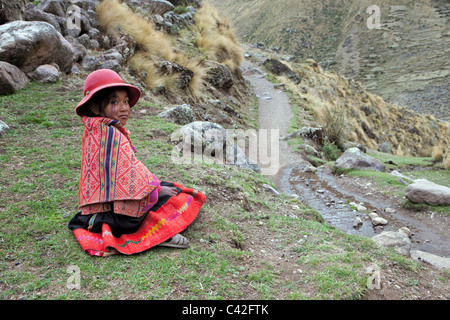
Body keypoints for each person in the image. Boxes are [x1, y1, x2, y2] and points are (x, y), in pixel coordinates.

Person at [68, 69, 205, 257]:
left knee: (164, 188)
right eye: (114, 102)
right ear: (94, 107)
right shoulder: (109, 134)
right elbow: (130, 178)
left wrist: (155, 188)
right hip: (107, 214)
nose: (124, 107)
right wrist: (155, 192)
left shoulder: (96, 129)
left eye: (125, 101)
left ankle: (154, 211)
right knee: (169, 197)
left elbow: (126, 173)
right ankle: (160, 234)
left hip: (101, 205)